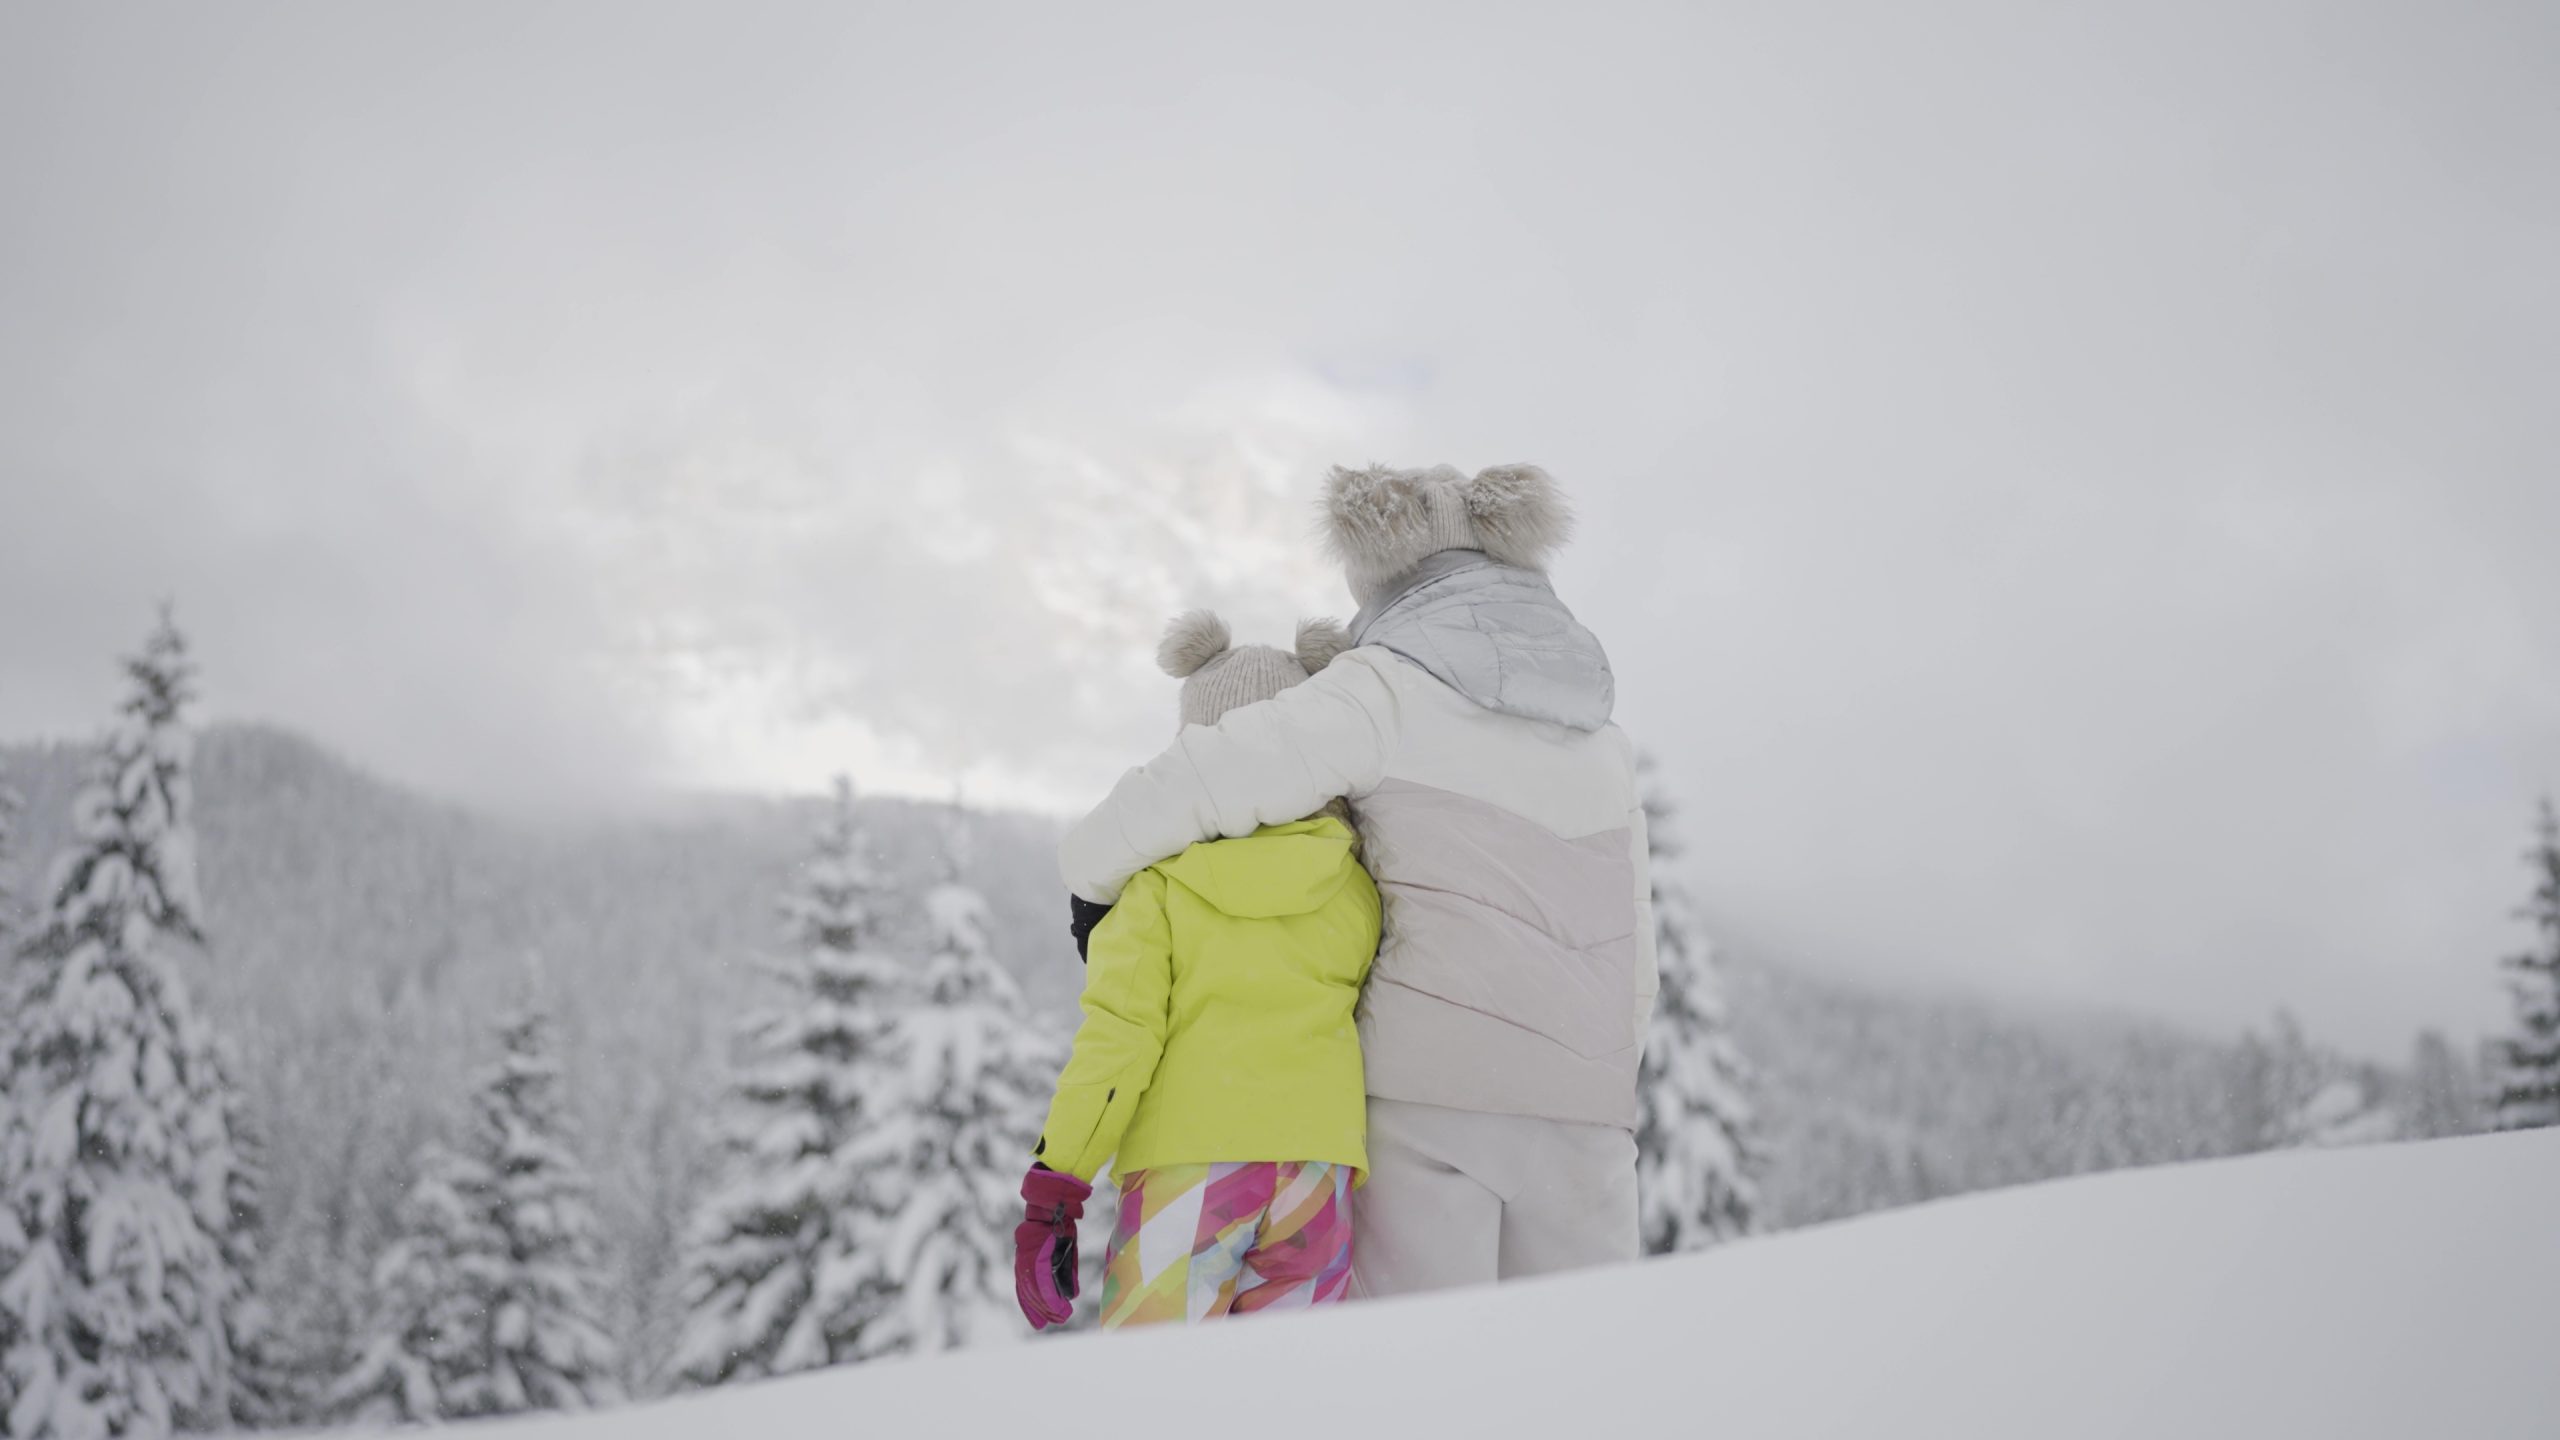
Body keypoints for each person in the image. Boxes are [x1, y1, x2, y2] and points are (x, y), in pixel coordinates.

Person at [1056, 463, 1654, 1297]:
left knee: (1417, 1379)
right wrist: (1600, 1080)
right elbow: (1636, 952)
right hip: (1587, 1117)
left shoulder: (1382, 691)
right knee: (1581, 1377)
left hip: (1429, 1101)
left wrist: (1090, 877)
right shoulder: (1604, 742)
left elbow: (1211, 773)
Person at [1014, 612, 1381, 1331]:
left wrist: (1056, 1188)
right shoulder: (1356, 888)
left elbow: (1118, 1044)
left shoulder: (1158, 890)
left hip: (1190, 1169)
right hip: (1318, 1173)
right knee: (1292, 1396)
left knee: (1156, 1399)